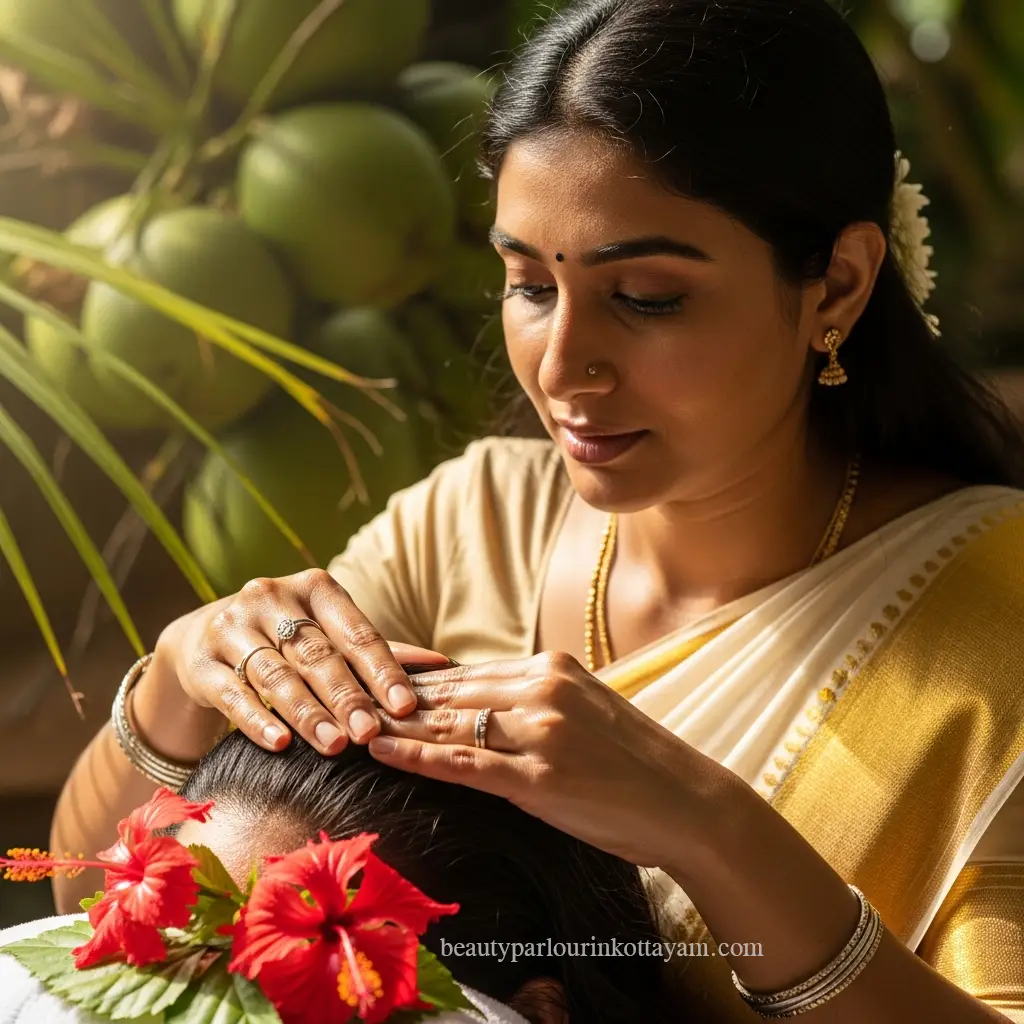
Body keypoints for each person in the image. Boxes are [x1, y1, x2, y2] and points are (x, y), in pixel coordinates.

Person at [52, 0, 1024, 1020]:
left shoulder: (996, 624)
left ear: (836, 284)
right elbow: (98, 927)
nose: (562, 367)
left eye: (645, 296)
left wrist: (707, 826)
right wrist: (179, 679)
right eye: (527, 284)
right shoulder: (468, 527)